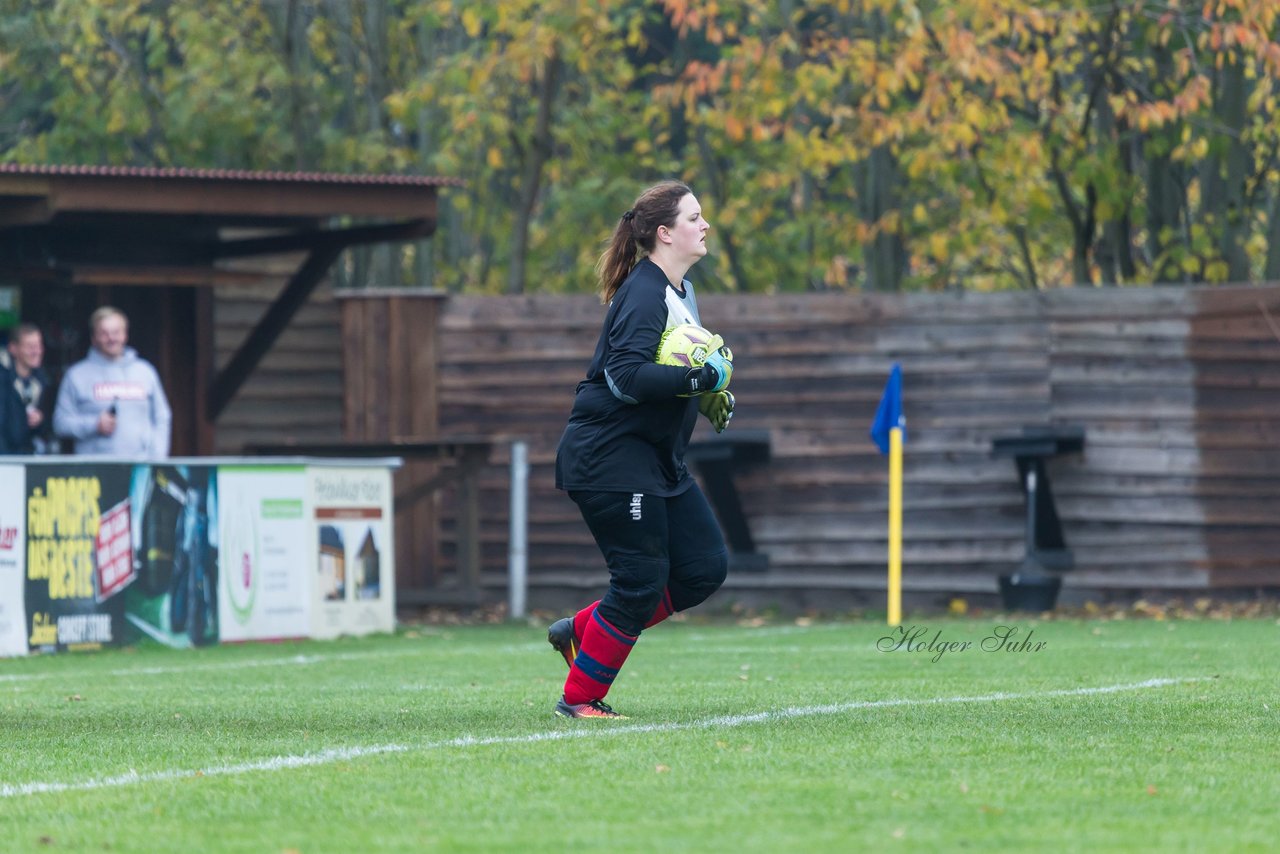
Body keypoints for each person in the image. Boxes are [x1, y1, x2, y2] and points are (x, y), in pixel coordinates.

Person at [548, 180, 736, 719]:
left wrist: (706, 395)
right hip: (611, 459)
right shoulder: (645, 292)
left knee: (703, 567)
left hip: (656, 462)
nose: (704, 225)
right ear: (664, 233)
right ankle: (580, 699)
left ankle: (582, 631)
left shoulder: (682, 294)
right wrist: (700, 380)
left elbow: (670, 375)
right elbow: (626, 376)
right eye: (694, 217)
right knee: (639, 581)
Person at [54, 306, 172, 457]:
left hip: (141, 469)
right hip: (95, 472)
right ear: (93, 338)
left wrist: (158, 456)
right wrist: (94, 425)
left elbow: (162, 416)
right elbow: (60, 424)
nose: (111, 338)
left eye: (116, 332)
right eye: (104, 333)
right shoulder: (75, 375)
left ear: (125, 335)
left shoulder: (145, 371)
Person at [1, 323, 52, 454]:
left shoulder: (42, 380)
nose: (36, 351)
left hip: (26, 457)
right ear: (13, 348)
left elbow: (48, 428)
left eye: (39, 346)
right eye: (30, 347)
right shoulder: (2, 379)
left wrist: (40, 420)